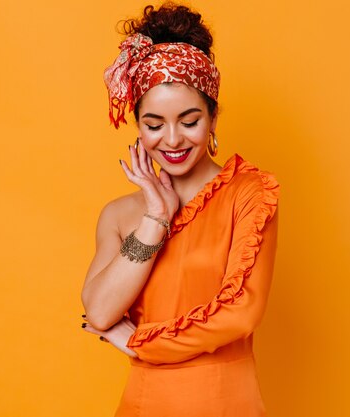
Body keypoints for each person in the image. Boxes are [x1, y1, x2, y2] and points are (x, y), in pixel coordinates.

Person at [81, 3, 280, 416]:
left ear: (213, 117)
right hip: (144, 405)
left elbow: (241, 312)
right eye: (154, 125)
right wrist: (155, 217)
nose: (172, 140)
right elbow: (99, 311)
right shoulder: (120, 215)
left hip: (227, 404)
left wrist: (143, 344)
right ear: (138, 124)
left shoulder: (249, 194)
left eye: (189, 121)